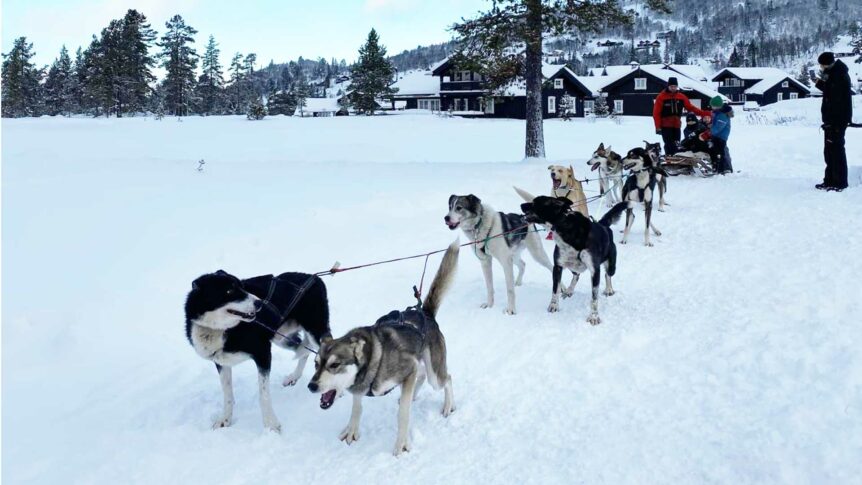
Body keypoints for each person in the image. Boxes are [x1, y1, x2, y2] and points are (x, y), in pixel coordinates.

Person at [814, 52, 852, 192]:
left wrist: (833, 122)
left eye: (822, 65)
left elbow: (836, 100)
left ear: (827, 64)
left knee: (837, 152)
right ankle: (829, 180)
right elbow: (829, 91)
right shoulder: (834, 73)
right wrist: (819, 82)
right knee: (829, 152)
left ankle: (840, 183)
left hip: (837, 121)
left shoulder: (839, 75)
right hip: (831, 121)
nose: (821, 67)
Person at [653, 77, 711, 155]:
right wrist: (658, 127)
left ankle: (676, 160)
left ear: (677, 86)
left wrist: (703, 113)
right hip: (665, 126)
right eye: (671, 86)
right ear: (668, 86)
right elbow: (656, 113)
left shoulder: (681, 97)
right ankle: (669, 160)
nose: (673, 88)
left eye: (675, 86)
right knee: (669, 144)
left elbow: (690, 107)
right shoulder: (661, 97)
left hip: (676, 125)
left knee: (677, 144)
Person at [703, 96, 733, 175]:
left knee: (720, 153)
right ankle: (716, 167)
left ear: (718, 106)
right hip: (716, 136)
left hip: (721, 137)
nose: (711, 107)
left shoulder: (722, 114)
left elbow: (718, 127)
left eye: (713, 106)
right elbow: (715, 123)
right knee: (715, 151)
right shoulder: (717, 113)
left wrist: (710, 132)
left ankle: (722, 169)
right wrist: (710, 125)